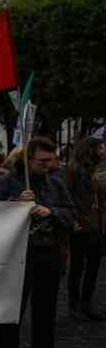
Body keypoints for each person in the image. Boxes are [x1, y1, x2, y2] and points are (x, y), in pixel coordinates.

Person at [0, 136, 74, 348]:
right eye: (42, 161)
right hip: (18, 252)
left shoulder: (56, 183)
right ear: (28, 160)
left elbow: (70, 215)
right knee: (14, 304)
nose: (48, 166)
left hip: (49, 250)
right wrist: (13, 202)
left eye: (51, 160)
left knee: (46, 306)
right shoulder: (8, 181)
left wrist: (52, 211)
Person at [65, 137, 105, 320]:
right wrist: (77, 220)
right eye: (100, 148)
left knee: (90, 266)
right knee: (79, 266)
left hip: (92, 224)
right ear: (89, 150)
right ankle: (77, 305)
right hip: (83, 225)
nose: (103, 151)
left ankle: (84, 304)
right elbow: (73, 198)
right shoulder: (77, 170)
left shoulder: (89, 170)